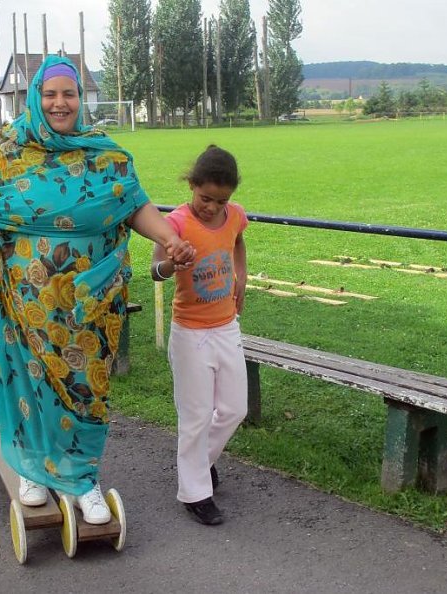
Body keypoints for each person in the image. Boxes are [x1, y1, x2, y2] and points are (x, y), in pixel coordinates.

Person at [0, 55, 194, 525]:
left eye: (68, 94)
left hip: (89, 301)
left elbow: (133, 205)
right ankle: (31, 465)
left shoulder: (106, 156)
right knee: (30, 378)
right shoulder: (10, 156)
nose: (59, 103)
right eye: (50, 94)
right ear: (35, 98)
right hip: (24, 303)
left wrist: (170, 237)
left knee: (86, 385)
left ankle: (82, 475)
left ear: (80, 99)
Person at [150, 145, 248, 525]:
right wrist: (171, 264)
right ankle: (195, 493)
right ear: (191, 185)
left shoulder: (234, 216)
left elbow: (237, 240)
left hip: (226, 326)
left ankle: (198, 463)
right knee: (195, 416)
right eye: (205, 198)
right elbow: (155, 271)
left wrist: (242, 276)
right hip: (190, 332)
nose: (211, 207)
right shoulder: (175, 223)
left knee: (234, 408)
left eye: (220, 200)